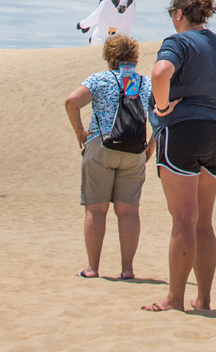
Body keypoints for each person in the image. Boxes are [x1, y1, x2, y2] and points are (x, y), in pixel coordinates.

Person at [143, 0, 216, 313]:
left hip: (182, 129)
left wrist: (163, 107)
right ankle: (204, 299)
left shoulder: (177, 42)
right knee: (203, 221)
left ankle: (174, 298)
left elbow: (159, 73)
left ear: (179, 14)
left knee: (183, 218)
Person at [64, 34, 155, 280]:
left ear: (109, 57)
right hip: (134, 150)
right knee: (129, 212)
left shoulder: (101, 79)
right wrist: (152, 145)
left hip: (101, 146)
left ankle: (93, 268)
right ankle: (127, 269)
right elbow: (159, 114)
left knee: (96, 210)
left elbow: (72, 101)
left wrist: (80, 132)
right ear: (134, 57)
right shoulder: (144, 83)